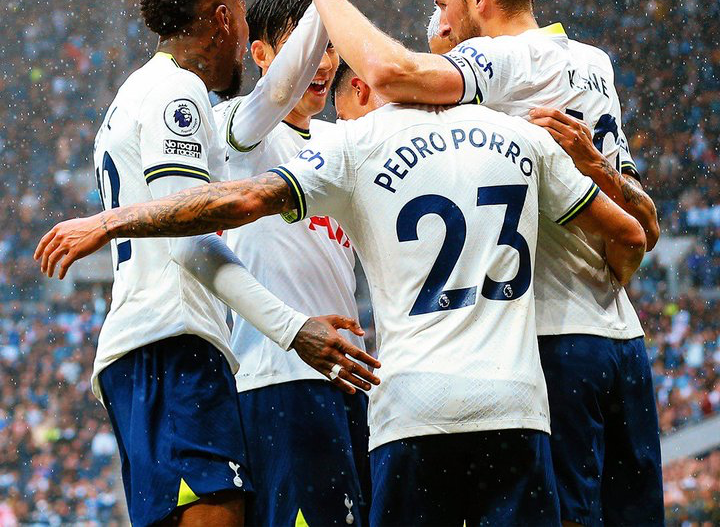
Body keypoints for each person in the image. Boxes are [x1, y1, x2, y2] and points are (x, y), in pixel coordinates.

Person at [35, 65, 646, 526]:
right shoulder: (508, 136)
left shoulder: (354, 147)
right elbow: (631, 232)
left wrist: (113, 220)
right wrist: (612, 273)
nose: (320, 78)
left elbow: (235, 203)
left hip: (402, 403)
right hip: (503, 404)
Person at [307, 0, 663, 527]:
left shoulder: (502, 59)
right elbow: (637, 228)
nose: (437, 19)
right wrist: (602, 180)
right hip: (620, 339)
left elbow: (388, 75)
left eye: (442, 3)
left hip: (547, 340)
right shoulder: (592, 63)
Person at [67, 0, 379, 527]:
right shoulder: (188, 101)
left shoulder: (139, 97)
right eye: (239, 17)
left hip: (177, 349)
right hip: (185, 344)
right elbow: (188, 233)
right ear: (222, 19)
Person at [210, 0, 371, 526]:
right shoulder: (239, 133)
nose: (324, 62)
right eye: (310, 45)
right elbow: (275, 96)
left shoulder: (342, 144)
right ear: (261, 54)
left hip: (350, 382)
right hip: (276, 378)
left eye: (332, 46)